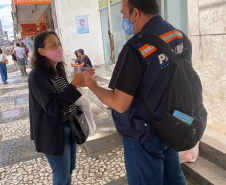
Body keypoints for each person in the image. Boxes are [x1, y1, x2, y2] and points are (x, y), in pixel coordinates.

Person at [83, 0, 188, 184]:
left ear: (136, 13)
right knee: (174, 179)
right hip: (172, 125)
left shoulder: (135, 49)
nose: (125, 19)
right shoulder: (179, 36)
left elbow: (120, 103)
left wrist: (92, 86)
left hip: (144, 134)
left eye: (124, 14)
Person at [28, 31, 95, 185]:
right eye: (53, 45)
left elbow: (66, 95)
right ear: (41, 51)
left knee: (69, 169)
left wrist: (82, 83)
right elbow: (52, 106)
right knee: (61, 177)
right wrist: (74, 84)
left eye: (59, 44)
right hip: (53, 133)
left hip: (71, 126)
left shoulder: (59, 70)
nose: (59, 48)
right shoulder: (37, 76)